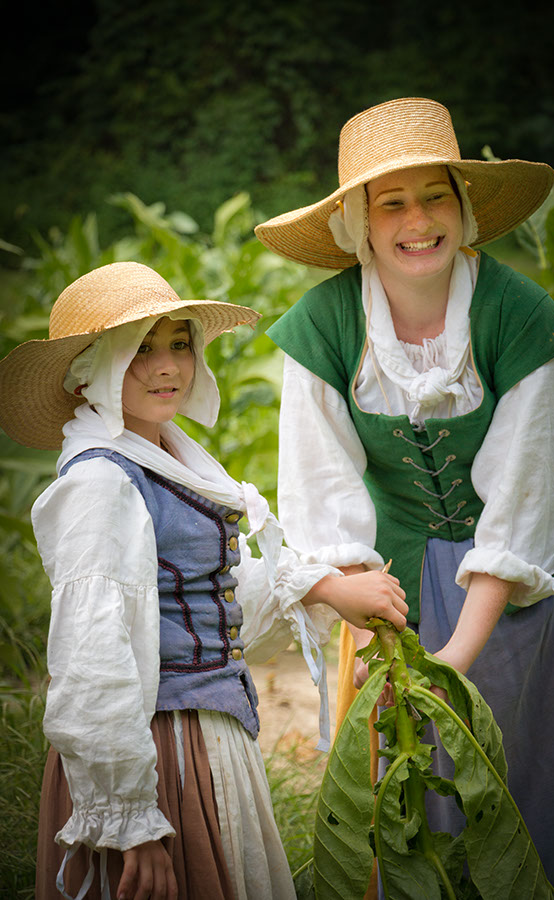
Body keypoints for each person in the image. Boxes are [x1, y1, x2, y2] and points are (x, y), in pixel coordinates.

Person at [255, 97, 554, 898]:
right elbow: (319, 490)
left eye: (435, 195)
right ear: (358, 224)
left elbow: (527, 501)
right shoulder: (323, 328)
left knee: (522, 798)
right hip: (394, 594)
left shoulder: (518, 318)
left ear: (465, 206)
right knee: (407, 808)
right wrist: (355, 598)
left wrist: (452, 662)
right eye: (392, 202)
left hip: (526, 593)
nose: (418, 220)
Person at [0, 261, 408, 900]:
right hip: (159, 750)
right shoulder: (99, 485)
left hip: (204, 734)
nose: (168, 366)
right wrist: (130, 822)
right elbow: (92, 658)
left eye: (179, 344)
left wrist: (326, 587)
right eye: (141, 350)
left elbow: (211, 593)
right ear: (92, 373)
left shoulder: (167, 457)